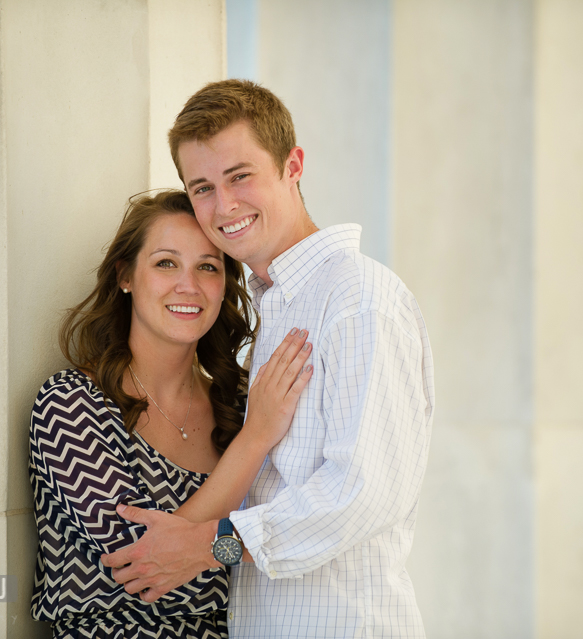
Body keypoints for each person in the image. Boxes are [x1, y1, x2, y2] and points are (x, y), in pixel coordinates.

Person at [102, 81, 435, 638]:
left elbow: (363, 492)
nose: (223, 205)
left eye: (240, 176)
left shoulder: (357, 301)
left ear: (293, 165)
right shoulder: (278, 304)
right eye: (202, 187)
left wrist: (214, 544)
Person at [28, 189, 314, 638]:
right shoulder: (71, 405)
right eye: (166, 263)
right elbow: (145, 567)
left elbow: (301, 544)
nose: (189, 285)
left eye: (207, 266)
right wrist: (255, 439)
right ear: (125, 275)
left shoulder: (242, 402)